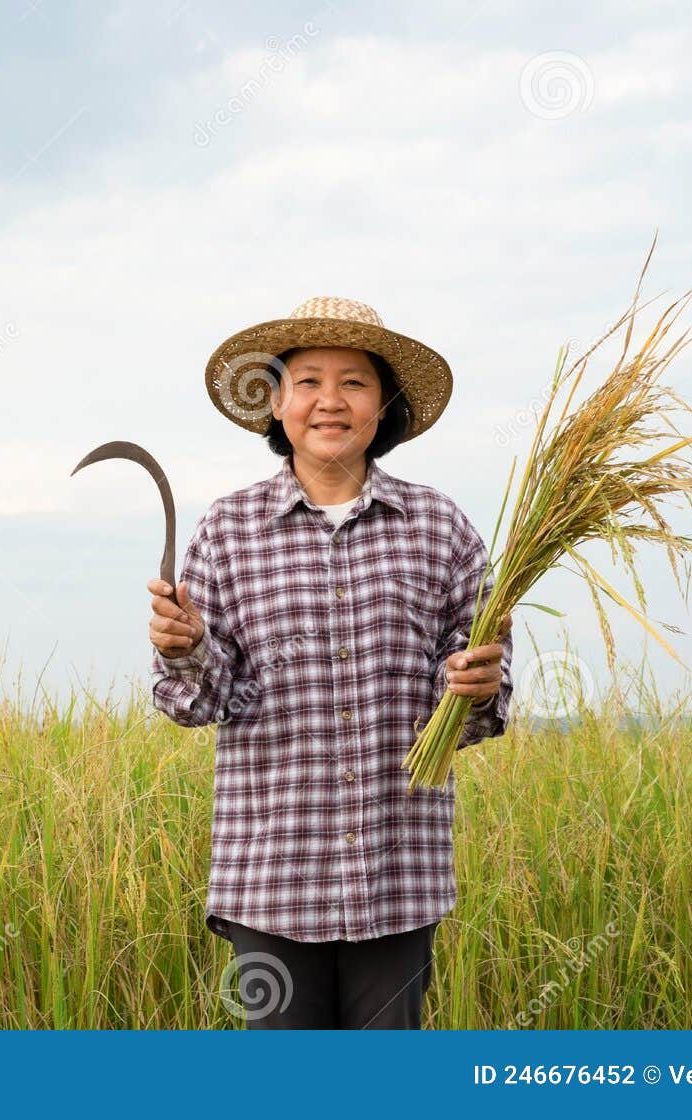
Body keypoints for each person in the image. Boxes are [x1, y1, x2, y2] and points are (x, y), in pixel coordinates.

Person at [148, 296, 512, 1029]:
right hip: (271, 874)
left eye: (355, 382)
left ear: (385, 408)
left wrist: (473, 688)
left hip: (398, 869)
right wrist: (187, 651)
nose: (330, 401)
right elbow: (197, 703)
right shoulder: (229, 529)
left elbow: (482, 702)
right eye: (307, 380)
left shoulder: (440, 526)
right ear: (276, 404)